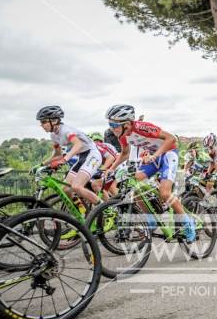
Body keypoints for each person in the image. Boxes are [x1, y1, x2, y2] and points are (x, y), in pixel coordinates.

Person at [103, 104, 196, 242]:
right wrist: (111, 168)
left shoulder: (142, 127)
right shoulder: (123, 135)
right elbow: (124, 153)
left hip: (168, 154)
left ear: (127, 124)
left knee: (165, 193)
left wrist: (154, 155)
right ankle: (151, 219)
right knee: (134, 183)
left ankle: (188, 224)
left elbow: (171, 139)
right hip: (154, 157)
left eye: (114, 124)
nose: (111, 128)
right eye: (110, 124)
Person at [37, 105, 102, 205]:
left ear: (54, 121)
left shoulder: (66, 130)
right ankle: (82, 211)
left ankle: (107, 210)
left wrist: (64, 160)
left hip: (92, 154)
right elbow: (57, 155)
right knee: (66, 189)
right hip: (82, 157)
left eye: (44, 122)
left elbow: (78, 144)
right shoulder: (54, 135)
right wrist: (41, 164)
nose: (42, 125)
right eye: (41, 122)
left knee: (77, 186)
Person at [88, 132, 119, 200]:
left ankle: (110, 207)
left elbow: (111, 158)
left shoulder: (96, 146)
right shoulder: (106, 145)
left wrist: (102, 169)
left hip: (115, 167)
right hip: (116, 166)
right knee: (107, 188)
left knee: (97, 185)